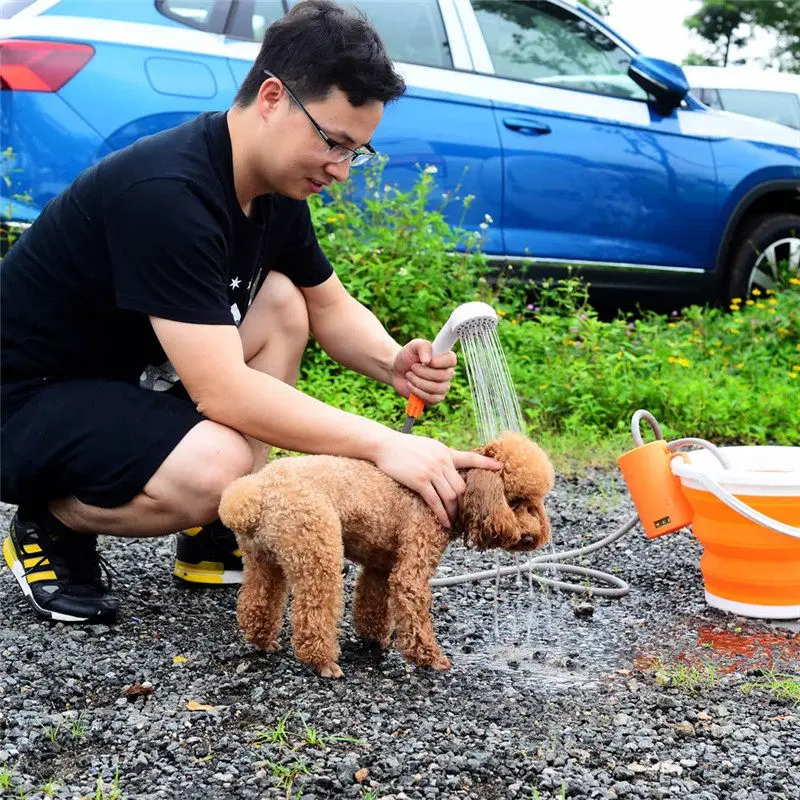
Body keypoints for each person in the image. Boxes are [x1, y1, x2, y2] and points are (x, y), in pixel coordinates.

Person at [0, 0, 501, 625]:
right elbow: (223, 392)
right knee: (218, 464)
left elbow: (328, 305)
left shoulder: (271, 188)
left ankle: (216, 531)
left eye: (357, 152)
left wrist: (393, 362)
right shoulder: (168, 195)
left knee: (282, 302)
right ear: (272, 97)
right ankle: (52, 522)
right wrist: (385, 446)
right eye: (334, 143)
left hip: (115, 382)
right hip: (27, 401)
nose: (341, 170)